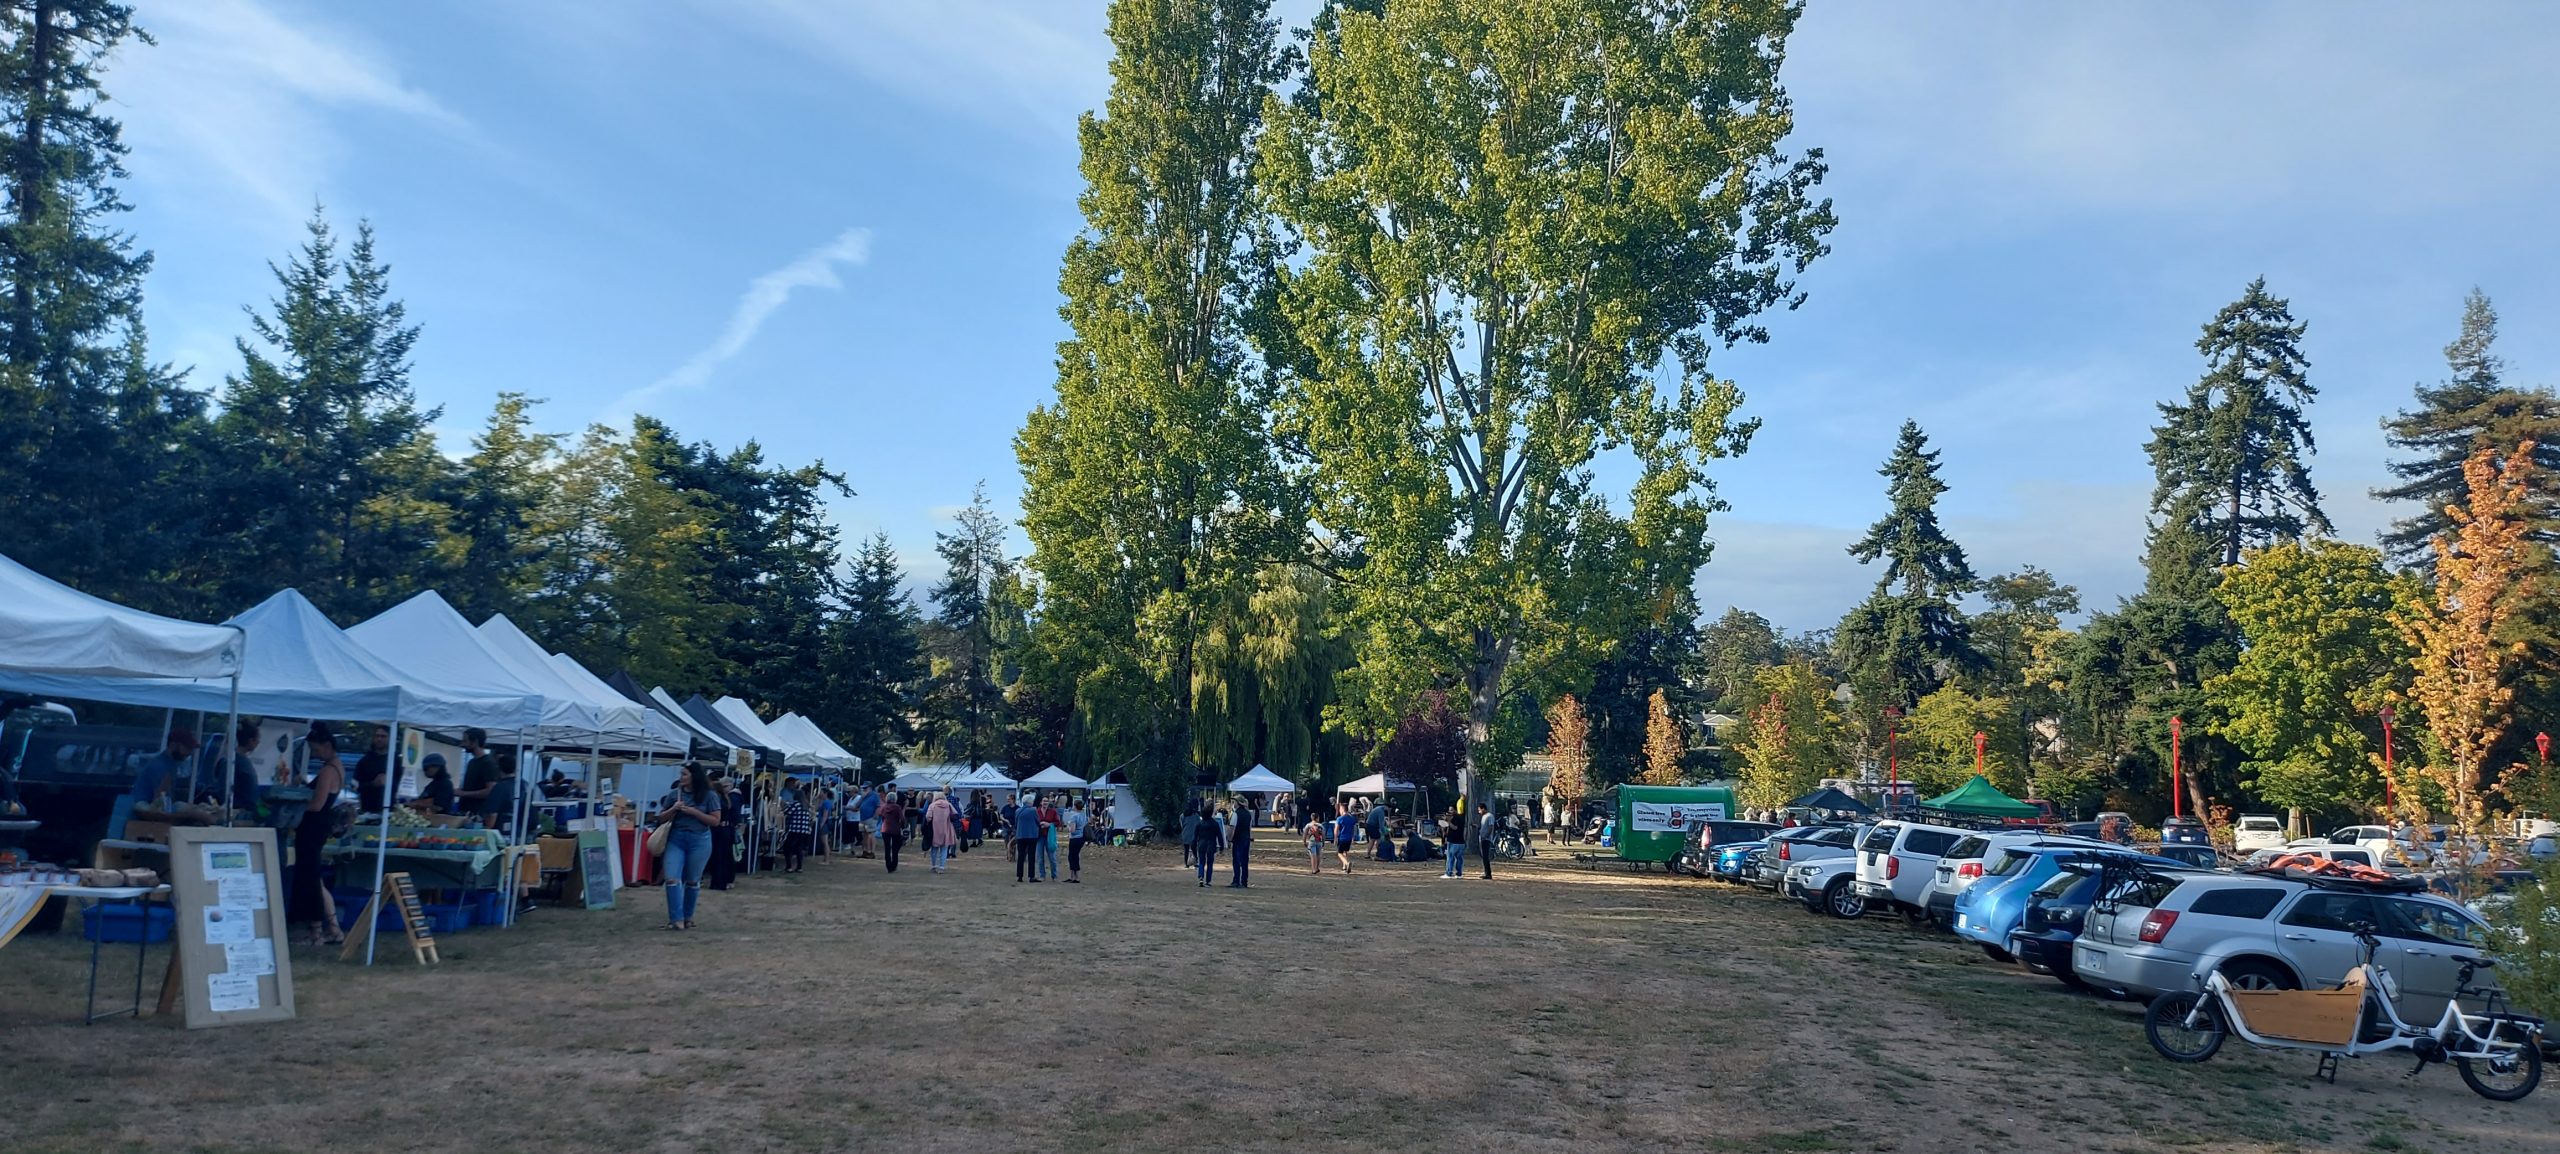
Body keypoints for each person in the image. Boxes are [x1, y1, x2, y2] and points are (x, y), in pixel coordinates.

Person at [288, 724, 345, 946]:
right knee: (316, 880)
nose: (314, 754)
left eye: (316, 750)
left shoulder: (328, 771)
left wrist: (295, 809)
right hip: (319, 827)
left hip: (312, 828)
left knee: (309, 879)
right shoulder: (337, 767)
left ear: (327, 746)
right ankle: (332, 929)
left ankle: (315, 932)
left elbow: (317, 804)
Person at [652, 762, 723, 930]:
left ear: (694, 776)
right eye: (681, 774)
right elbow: (660, 818)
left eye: (684, 774)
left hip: (699, 840)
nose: (681, 777)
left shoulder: (709, 796)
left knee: (692, 880)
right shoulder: (674, 794)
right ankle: (676, 919)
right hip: (676, 838)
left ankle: (688, 916)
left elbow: (715, 821)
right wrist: (673, 810)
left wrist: (694, 812)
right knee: (671, 878)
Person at [128, 728, 198, 812]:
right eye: (187, 747)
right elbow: (160, 799)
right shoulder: (160, 767)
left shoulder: (171, 763)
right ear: (173, 745)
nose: (190, 752)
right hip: (142, 808)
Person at [456, 728, 499, 818]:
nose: (463, 744)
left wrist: (463, 793)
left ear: (475, 742)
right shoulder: (472, 762)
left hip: (477, 814)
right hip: (465, 812)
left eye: (465, 741)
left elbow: (490, 791)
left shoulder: (488, 763)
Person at [353, 726, 394, 813]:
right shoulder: (365, 761)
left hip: (391, 810)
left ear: (390, 738)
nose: (379, 739)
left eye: (383, 736)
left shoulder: (395, 761)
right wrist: (373, 784)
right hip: (368, 810)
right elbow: (355, 785)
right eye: (377, 736)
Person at [780, 785, 814, 873]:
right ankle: (799, 867)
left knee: (787, 847)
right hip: (804, 831)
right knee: (799, 849)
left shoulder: (795, 804)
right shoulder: (805, 806)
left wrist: (784, 805)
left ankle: (789, 866)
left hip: (795, 829)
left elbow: (787, 812)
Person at [1010, 794, 1043, 883]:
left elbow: (1016, 823)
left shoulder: (1018, 810)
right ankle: (1031, 876)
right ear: (1030, 802)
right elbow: (1037, 821)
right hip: (1031, 835)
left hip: (1020, 835)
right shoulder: (1033, 810)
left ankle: (1019, 876)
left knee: (1021, 855)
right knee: (1031, 856)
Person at [926, 791, 959, 873]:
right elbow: (955, 814)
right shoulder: (948, 805)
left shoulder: (932, 805)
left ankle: (933, 866)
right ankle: (942, 867)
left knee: (934, 849)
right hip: (946, 829)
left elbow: (928, 817)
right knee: (944, 849)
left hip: (935, 829)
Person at [878, 790, 907, 873]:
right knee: (895, 848)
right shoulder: (897, 807)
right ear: (895, 799)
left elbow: (881, 815)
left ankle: (888, 866)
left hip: (885, 829)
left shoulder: (884, 807)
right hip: (895, 829)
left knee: (887, 848)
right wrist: (903, 825)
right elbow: (902, 818)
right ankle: (894, 865)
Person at [1227, 798, 1253, 889]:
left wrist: (1229, 839)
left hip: (1238, 839)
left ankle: (1236, 880)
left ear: (1238, 803)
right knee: (1245, 861)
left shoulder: (1235, 814)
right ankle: (1244, 881)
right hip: (1246, 839)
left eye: (1234, 802)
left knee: (1236, 860)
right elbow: (1249, 828)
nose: (1233, 804)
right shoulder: (1248, 814)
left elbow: (1232, 828)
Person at [1063, 800, 1091, 883]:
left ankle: (1074, 876)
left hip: (1074, 838)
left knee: (1072, 857)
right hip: (1081, 837)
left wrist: (1068, 827)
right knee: (1075, 856)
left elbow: (1072, 830)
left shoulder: (1074, 816)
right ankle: (1074, 876)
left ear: (1075, 806)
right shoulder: (1083, 815)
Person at [1332, 804, 1359, 876]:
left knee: (1339, 853)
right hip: (1349, 838)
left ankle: (1347, 863)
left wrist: (1335, 838)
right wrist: (1353, 838)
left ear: (1343, 809)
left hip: (1342, 838)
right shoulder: (1352, 818)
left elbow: (1336, 829)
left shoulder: (1340, 819)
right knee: (1345, 852)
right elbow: (1353, 829)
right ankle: (1344, 867)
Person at [1438, 809, 1466, 879]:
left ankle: (1449, 873)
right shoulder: (1461, 818)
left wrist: (1448, 822)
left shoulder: (1456, 819)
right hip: (1461, 842)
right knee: (1459, 858)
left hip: (1454, 842)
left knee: (1450, 857)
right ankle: (1459, 873)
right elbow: (1446, 833)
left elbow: (1455, 828)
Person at [1470, 803, 1495, 880]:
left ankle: (1488, 874)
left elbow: (1491, 827)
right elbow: (1482, 827)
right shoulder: (1483, 817)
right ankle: (1486, 872)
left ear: (1483, 809)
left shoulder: (1489, 816)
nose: (1479, 812)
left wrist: (1486, 836)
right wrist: (1476, 826)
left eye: (1479, 810)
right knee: (1483, 857)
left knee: (1485, 857)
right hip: (1482, 838)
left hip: (1486, 839)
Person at [1179, 803, 1202, 868]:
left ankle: (1186, 863)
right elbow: (1199, 824)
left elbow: (1181, 825)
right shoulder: (1196, 815)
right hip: (1194, 834)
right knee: (1194, 849)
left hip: (1185, 834)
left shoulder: (1182, 815)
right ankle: (1195, 863)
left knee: (1186, 850)